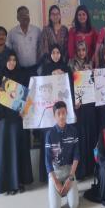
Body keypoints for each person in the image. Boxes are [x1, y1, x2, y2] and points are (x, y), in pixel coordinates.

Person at [0, 52, 33, 195]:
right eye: (9, 60)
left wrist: (24, 110)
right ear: (5, 61)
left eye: (14, 60)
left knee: (18, 149)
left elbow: (28, 96)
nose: (12, 62)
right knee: (6, 151)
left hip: (17, 118)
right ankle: (7, 184)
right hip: (4, 119)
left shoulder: (22, 75)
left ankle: (19, 182)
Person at [39, 44, 72, 183]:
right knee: (49, 141)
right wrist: (51, 75)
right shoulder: (45, 68)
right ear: (49, 54)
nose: (56, 55)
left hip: (63, 112)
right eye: (53, 52)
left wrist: (64, 75)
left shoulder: (66, 67)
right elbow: (40, 86)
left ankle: (65, 172)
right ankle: (47, 173)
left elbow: (71, 85)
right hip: (48, 113)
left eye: (58, 52)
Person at [69, 40, 97, 179]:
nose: (81, 52)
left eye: (83, 50)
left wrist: (90, 73)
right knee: (80, 137)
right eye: (79, 50)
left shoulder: (90, 64)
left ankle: (91, 168)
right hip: (78, 106)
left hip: (89, 105)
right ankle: (81, 171)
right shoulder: (71, 64)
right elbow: (68, 85)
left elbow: (94, 83)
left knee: (90, 135)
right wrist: (74, 102)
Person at [45, 101, 80, 208]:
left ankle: (71, 192)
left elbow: (76, 156)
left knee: (74, 205)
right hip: (55, 173)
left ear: (67, 113)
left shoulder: (73, 131)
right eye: (58, 114)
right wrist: (56, 182)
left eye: (63, 113)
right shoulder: (50, 134)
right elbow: (47, 161)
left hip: (69, 171)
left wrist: (70, 177)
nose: (61, 116)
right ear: (54, 116)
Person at [7, 6, 41, 86]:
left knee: (35, 95)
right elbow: (9, 53)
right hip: (19, 71)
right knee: (22, 96)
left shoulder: (37, 31)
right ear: (17, 18)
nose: (25, 17)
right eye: (22, 15)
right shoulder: (12, 33)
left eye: (27, 14)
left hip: (34, 69)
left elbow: (41, 49)